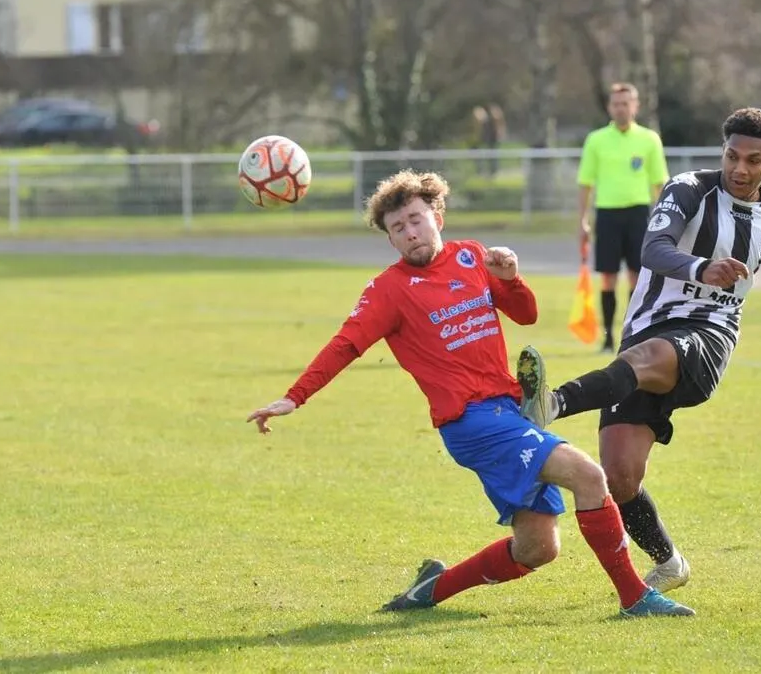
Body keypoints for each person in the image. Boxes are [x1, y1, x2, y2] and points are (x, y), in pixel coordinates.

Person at [245, 169, 694, 618]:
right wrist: (295, 396)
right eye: (398, 228)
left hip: (510, 412)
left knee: (538, 548)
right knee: (590, 477)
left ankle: (430, 590)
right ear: (390, 240)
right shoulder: (388, 290)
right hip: (471, 422)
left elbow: (526, 314)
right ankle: (635, 597)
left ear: (437, 216)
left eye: (416, 219)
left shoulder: (470, 257)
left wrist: (512, 278)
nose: (410, 233)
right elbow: (346, 344)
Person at [519, 107, 761, 593]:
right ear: (721, 151)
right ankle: (669, 560)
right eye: (732, 156)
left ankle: (552, 403)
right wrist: (701, 267)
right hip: (647, 330)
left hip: (708, 334)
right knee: (619, 478)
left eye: (753, 160)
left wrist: (709, 281)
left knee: (643, 361)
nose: (740, 168)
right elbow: (653, 249)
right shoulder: (687, 188)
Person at [577, 82, 670, 352]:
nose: (621, 108)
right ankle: (607, 338)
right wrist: (582, 220)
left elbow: (659, 185)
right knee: (608, 278)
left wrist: (667, 222)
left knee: (637, 277)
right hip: (607, 215)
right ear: (610, 107)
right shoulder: (596, 140)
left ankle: (634, 335)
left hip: (639, 215)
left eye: (626, 103)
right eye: (617, 103)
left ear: (635, 106)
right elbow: (585, 183)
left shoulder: (649, 139)